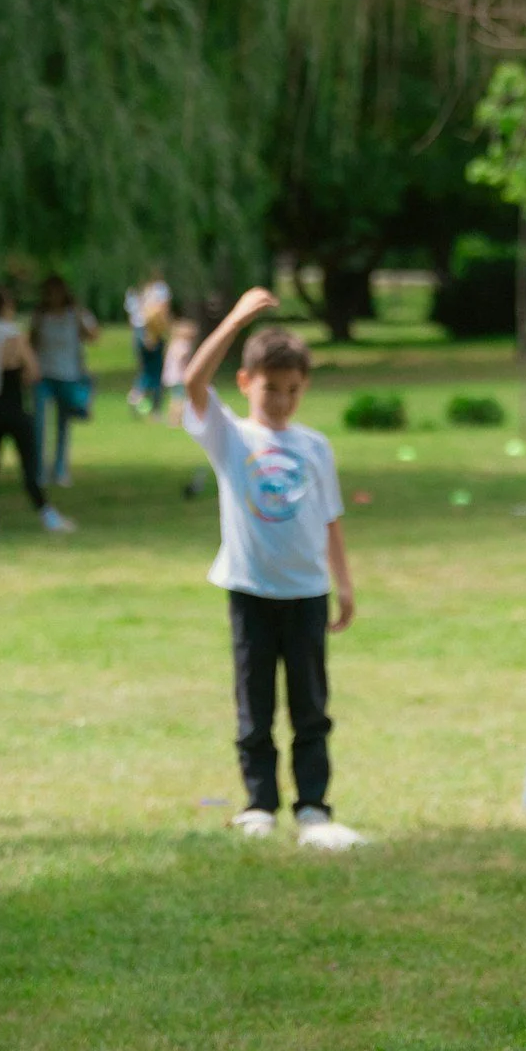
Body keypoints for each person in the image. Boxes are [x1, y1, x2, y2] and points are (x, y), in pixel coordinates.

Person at [181, 288, 363, 849]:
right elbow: (192, 382)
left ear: (304, 388)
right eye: (269, 388)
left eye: (292, 390)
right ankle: (259, 803)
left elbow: (330, 516)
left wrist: (344, 582)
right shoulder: (230, 436)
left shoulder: (314, 446)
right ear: (246, 384)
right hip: (251, 590)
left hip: (307, 592)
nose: (281, 400)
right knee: (254, 703)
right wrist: (235, 318)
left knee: (310, 706)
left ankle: (313, 804)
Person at [0, 287, 72, 535]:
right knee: (29, 464)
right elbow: (33, 370)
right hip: (14, 406)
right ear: (8, 307)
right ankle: (46, 512)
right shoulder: (13, 335)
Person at [31, 275, 97, 488]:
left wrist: (80, 315)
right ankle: (39, 472)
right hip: (43, 375)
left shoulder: (74, 314)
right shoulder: (40, 316)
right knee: (39, 424)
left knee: (63, 425)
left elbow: (93, 336)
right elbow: (32, 342)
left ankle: (60, 470)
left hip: (68, 375)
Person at [126, 269, 173, 417]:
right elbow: (163, 312)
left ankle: (136, 393)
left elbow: (131, 318)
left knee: (145, 369)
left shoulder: (133, 291)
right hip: (153, 331)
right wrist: (167, 331)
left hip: (138, 332)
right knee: (158, 371)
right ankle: (156, 410)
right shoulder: (160, 289)